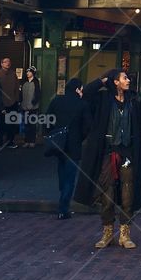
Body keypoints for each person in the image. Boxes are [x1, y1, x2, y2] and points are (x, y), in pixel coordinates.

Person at [75, 69, 141, 250]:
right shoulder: (103, 99)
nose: (128, 81)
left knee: (128, 193)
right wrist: (102, 80)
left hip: (127, 152)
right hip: (107, 152)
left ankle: (125, 233)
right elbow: (85, 95)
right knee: (107, 193)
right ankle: (107, 232)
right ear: (115, 82)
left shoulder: (133, 100)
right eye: (124, 78)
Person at [45, 78, 91, 219]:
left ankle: (62, 195)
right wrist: (80, 137)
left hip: (59, 142)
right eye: (81, 89)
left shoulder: (56, 101)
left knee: (62, 170)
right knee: (70, 177)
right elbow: (87, 125)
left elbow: (47, 119)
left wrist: (52, 134)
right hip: (74, 143)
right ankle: (63, 208)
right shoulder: (82, 104)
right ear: (77, 89)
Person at [0, 57, 20, 149]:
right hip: (2, 103)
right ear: (1, 63)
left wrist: (17, 100)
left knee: (11, 124)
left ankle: (10, 141)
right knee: (1, 124)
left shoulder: (13, 74)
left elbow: (17, 87)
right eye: (5, 62)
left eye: (9, 61)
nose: (8, 63)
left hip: (12, 102)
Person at [20, 66, 42, 148]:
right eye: (27, 72)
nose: (27, 73)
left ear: (33, 73)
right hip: (24, 106)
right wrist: (21, 102)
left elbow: (38, 94)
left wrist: (33, 103)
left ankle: (32, 141)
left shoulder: (36, 82)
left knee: (32, 125)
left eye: (29, 72)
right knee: (26, 125)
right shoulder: (24, 82)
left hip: (33, 107)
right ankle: (26, 141)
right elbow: (21, 94)